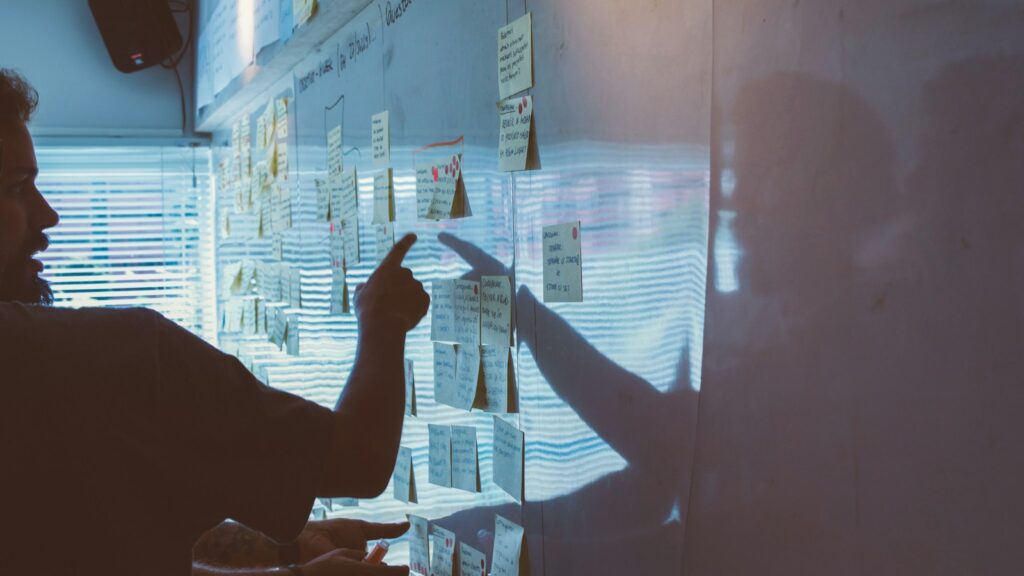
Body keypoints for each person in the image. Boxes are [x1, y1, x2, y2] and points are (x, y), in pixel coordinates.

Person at [0, 68, 428, 576]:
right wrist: (382, 320)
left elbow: (83, 535)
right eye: (18, 186)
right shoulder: (123, 358)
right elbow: (360, 456)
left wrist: (285, 552)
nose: (47, 215)